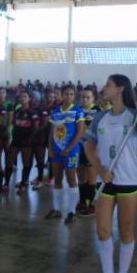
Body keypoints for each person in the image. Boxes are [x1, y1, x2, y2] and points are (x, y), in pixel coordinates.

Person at [84, 75, 137, 273]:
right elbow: (89, 147)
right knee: (103, 230)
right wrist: (100, 170)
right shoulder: (100, 117)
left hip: (128, 181)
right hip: (105, 181)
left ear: (119, 89)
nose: (103, 88)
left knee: (126, 231)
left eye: (108, 85)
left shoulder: (135, 117)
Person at [44, 85, 85, 223]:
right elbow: (52, 131)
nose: (68, 96)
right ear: (61, 95)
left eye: (71, 94)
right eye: (66, 93)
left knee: (71, 179)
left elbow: (80, 132)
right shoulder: (56, 111)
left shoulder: (78, 111)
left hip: (71, 151)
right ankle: (56, 209)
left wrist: (70, 148)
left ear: (74, 96)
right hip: (56, 150)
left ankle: (72, 211)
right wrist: (49, 147)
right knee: (57, 179)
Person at [5, 91, 38, 194]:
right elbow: (14, 124)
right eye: (21, 97)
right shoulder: (17, 110)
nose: (22, 98)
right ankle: (6, 183)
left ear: (29, 99)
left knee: (26, 162)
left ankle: (23, 183)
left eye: (25, 96)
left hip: (26, 141)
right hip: (16, 140)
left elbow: (35, 127)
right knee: (10, 161)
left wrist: (30, 138)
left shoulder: (32, 112)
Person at [76, 86, 100, 215]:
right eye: (82, 97)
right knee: (81, 176)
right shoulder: (76, 111)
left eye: (88, 97)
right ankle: (81, 201)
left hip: (93, 148)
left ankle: (90, 203)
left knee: (91, 176)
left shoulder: (98, 111)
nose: (84, 100)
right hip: (78, 147)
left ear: (94, 98)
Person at [30, 90, 54, 191]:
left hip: (50, 134)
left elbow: (45, 123)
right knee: (40, 158)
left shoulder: (55, 107)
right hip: (42, 135)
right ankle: (40, 177)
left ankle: (50, 177)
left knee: (51, 156)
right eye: (47, 97)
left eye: (51, 97)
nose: (49, 98)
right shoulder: (39, 107)